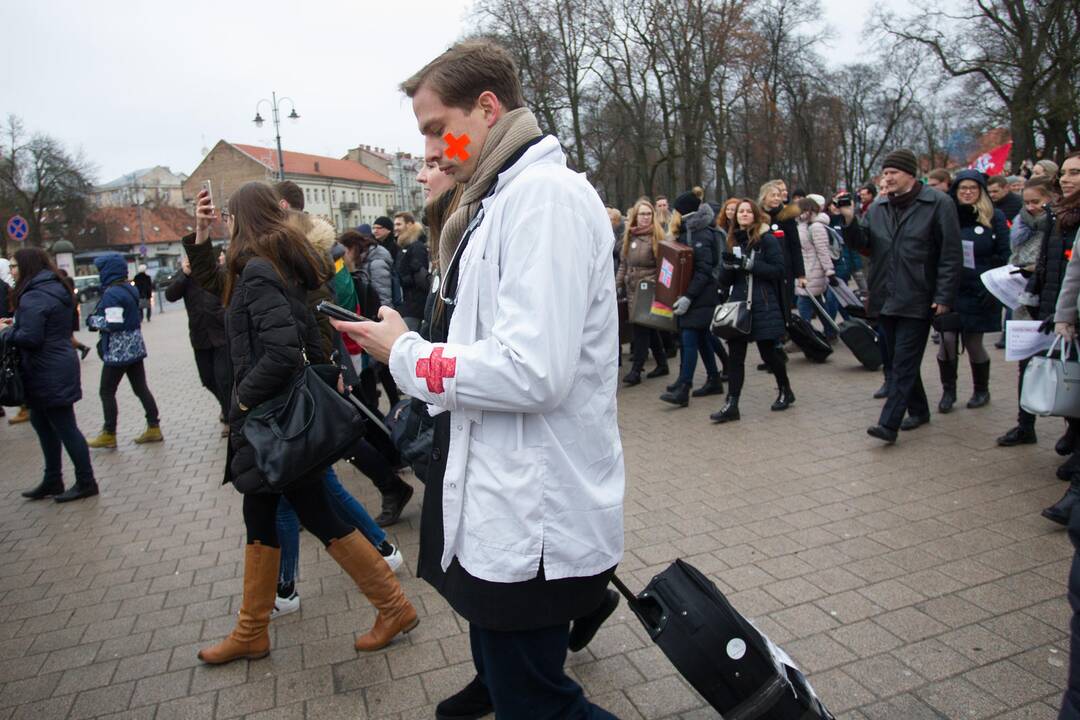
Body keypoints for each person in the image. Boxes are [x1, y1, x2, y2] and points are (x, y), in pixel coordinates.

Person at [333, 39, 623, 719]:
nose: (430, 150)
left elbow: (532, 372)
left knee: (540, 704)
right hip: (508, 506)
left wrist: (402, 355)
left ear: (487, 109)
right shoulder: (497, 199)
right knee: (518, 685)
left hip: (539, 516)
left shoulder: (543, 199)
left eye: (438, 128)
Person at [183, 181, 417, 665]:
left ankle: (391, 607)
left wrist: (243, 403)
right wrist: (200, 237)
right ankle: (252, 630)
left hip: (271, 418)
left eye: (227, 220)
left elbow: (283, 349)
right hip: (278, 417)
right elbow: (223, 288)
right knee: (265, 512)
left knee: (312, 511)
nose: (224, 227)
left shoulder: (258, 271)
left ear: (241, 221)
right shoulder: (278, 262)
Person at [850, 149, 962, 443]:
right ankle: (920, 409)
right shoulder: (877, 207)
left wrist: (944, 295)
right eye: (884, 173)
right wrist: (849, 219)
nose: (887, 178)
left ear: (910, 175)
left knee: (904, 361)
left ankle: (889, 423)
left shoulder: (938, 203)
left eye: (893, 173)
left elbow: (951, 254)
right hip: (885, 294)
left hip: (919, 294)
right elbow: (864, 245)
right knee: (893, 357)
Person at [3, 248, 98, 502]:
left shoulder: (34, 295)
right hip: (52, 365)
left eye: (14, 266)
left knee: (65, 426)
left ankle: (86, 481)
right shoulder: (51, 287)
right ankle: (53, 479)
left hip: (48, 369)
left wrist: (5, 332)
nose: (11, 271)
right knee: (42, 422)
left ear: (26, 267)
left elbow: (31, 337)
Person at [997, 176, 1070, 448]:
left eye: (1036, 202)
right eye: (1026, 202)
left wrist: (1035, 271)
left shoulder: (1060, 224)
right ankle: (1025, 424)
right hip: (1026, 303)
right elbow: (1015, 255)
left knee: (1063, 367)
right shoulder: (1020, 225)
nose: (1030, 207)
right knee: (1026, 366)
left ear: (1052, 198)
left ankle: (1070, 431)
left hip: (1053, 305)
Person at [1029, 150, 1080, 523]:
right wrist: (1063, 316)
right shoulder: (1061, 217)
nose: (1066, 179)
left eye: (1075, 173)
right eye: (1064, 172)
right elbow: (1072, 273)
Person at [711, 199, 793, 422]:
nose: (743, 215)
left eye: (748, 211)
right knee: (736, 356)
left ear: (756, 215)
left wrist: (749, 264)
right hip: (738, 304)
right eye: (740, 212)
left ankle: (785, 389)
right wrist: (728, 266)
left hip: (763, 304)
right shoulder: (732, 239)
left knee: (769, 353)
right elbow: (725, 280)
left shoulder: (766, 240)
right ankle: (732, 404)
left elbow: (778, 270)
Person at [935, 170, 1009, 413]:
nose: (967, 192)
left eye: (973, 188)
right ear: (955, 191)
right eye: (962, 188)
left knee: (973, 342)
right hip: (951, 288)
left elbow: (1004, 254)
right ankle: (949, 392)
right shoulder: (947, 215)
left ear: (981, 191)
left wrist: (993, 286)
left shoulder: (994, 216)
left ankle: (981, 390)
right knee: (946, 340)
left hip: (981, 290)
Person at [85, 253, 163, 449]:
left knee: (106, 391)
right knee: (140, 387)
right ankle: (154, 427)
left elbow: (114, 323)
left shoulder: (112, 293)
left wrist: (93, 321)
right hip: (135, 346)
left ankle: (109, 433)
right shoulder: (129, 288)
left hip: (119, 350)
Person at [659, 192, 722, 407]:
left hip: (700, 296)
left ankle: (684, 387)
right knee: (703, 339)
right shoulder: (691, 231)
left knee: (689, 339)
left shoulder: (701, 234)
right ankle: (713, 379)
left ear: (683, 212)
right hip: (697, 295)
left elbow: (704, 270)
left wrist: (688, 296)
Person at [165, 255, 231, 433]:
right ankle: (226, 407)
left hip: (221, 334)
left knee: (223, 378)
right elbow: (170, 295)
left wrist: (223, 315)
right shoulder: (186, 276)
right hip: (199, 335)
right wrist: (184, 274)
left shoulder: (218, 271)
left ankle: (229, 417)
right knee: (207, 379)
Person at [616, 199, 669, 385]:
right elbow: (624, 264)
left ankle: (637, 370)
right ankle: (662, 363)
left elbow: (664, 266)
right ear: (635, 216)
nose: (645, 217)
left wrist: (653, 284)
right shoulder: (629, 237)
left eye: (648, 214)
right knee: (647, 326)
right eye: (642, 214)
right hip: (631, 288)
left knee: (640, 329)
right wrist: (617, 285)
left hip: (647, 290)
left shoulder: (658, 236)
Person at [794, 197, 838, 341]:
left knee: (803, 304)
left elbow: (823, 250)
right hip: (808, 269)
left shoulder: (816, 227)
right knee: (818, 304)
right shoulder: (804, 224)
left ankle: (807, 337)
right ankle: (830, 331)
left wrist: (829, 271)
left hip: (813, 271)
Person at [392, 212, 430, 331]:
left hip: (415, 307)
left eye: (399, 224)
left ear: (409, 225)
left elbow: (422, 279)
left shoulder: (416, 247)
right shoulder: (405, 247)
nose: (395, 228)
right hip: (408, 305)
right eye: (395, 225)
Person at [55, 269, 92, 360]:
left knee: (68, 337)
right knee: (68, 336)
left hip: (69, 316)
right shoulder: (69, 289)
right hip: (72, 315)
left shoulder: (65, 286)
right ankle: (79, 349)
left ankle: (82, 348)